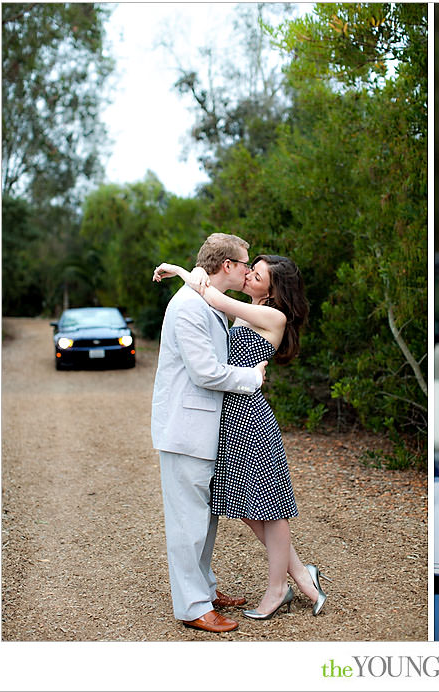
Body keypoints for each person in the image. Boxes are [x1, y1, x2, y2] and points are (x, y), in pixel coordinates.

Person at [153, 253, 329, 621]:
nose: (249, 275)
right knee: (250, 512)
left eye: (257, 274)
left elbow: (212, 296)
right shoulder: (246, 310)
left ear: (273, 287)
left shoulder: (272, 315)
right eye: (250, 269)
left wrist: (180, 270)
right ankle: (299, 572)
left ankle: (277, 588)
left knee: (271, 509)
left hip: (251, 418)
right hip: (229, 418)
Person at [151, 233, 268, 633]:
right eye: (245, 263)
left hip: (206, 428)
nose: (249, 270)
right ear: (227, 267)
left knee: (205, 519)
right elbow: (205, 372)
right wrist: (251, 377)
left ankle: (205, 589)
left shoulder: (203, 298)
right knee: (186, 523)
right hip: (185, 429)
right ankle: (192, 607)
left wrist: (181, 270)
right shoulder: (187, 307)